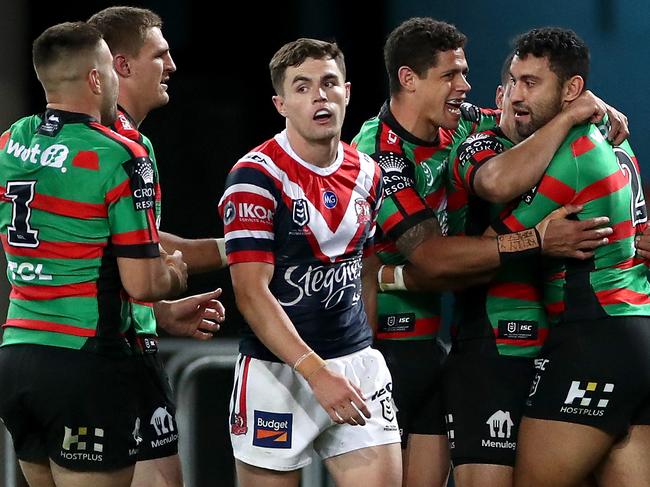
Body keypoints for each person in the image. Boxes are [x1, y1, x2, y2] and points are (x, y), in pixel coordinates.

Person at [351, 17, 620, 487]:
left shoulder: (461, 123)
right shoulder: (377, 152)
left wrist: (591, 108)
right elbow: (432, 258)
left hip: (437, 344)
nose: (466, 86)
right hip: (382, 351)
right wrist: (536, 240)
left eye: (466, 73)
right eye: (451, 75)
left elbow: (523, 115)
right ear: (409, 79)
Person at [0, 22, 188, 487]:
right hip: (85, 359)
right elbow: (142, 283)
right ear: (96, 78)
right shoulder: (120, 156)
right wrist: (174, 277)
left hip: (18, 353)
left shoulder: (10, 141)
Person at [218, 38, 402, 487]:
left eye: (329, 83)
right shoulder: (254, 177)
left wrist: (363, 347)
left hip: (355, 365)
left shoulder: (369, 173)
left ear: (348, 92)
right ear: (280, 103)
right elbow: (250, 292)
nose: (319, 96)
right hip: (277, 375)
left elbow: (366, 265)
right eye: (302, 88)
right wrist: (316, 371)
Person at [486, 28, 650, 487]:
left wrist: (399, 274)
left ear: (572, 91)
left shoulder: (574, 153)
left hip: (593, 341)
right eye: (514, 80)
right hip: (637, 332)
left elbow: (492, 235)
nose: (518, 94)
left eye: (532, 83)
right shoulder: (619, 143)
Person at [88, 7, 227, 487]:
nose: (172, 67)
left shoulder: (60, 140)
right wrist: (246, 247)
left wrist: (159, 312)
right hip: (113, 356)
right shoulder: (121, 146)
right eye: (160, 55)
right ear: (121, 66)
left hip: (62, 353)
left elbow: (115, 242)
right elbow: (139, 252)